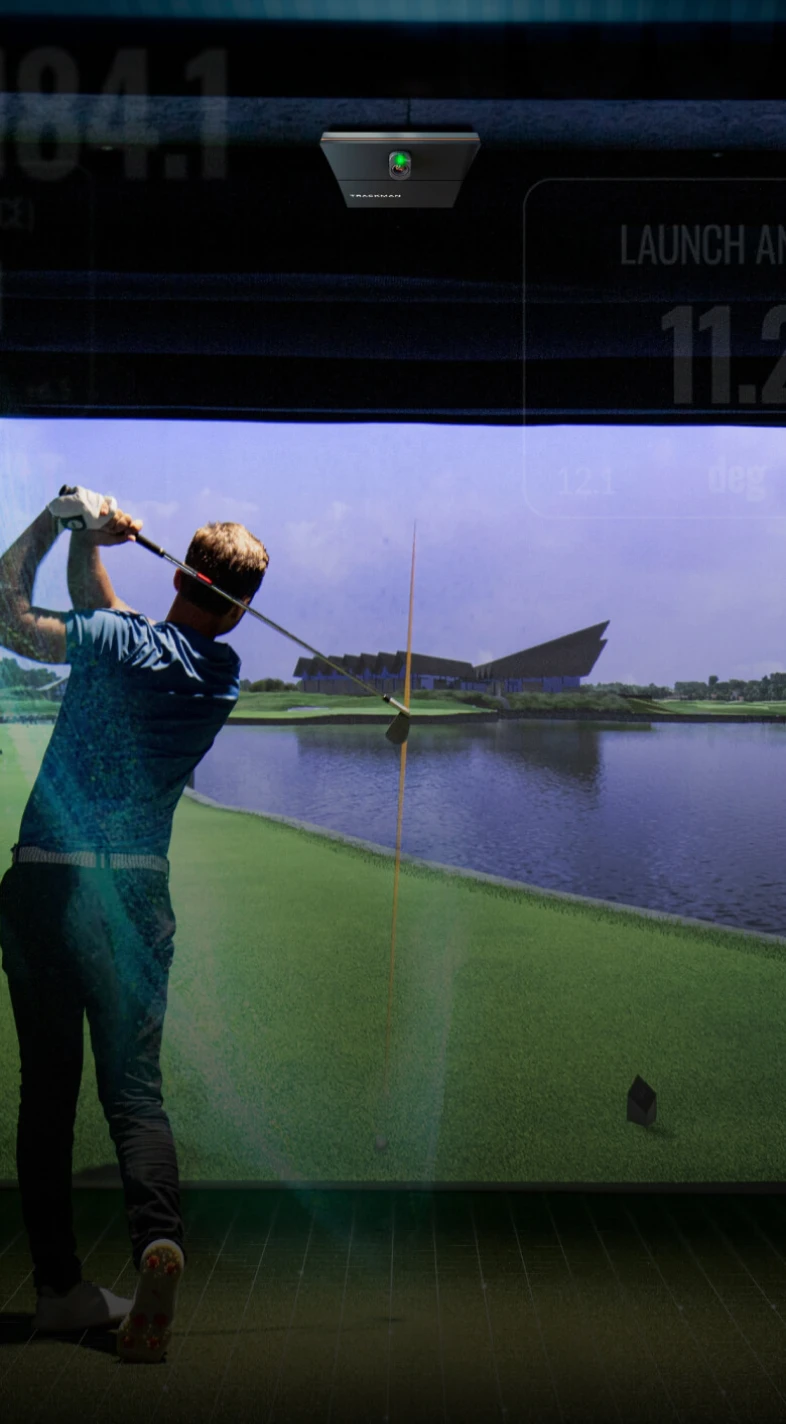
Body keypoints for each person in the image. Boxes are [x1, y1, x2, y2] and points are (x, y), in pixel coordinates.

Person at [0, 496, 269, 1362]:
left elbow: (13, 621)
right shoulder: (221, 673)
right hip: (136, 904)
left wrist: (54, 520)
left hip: (45, 890)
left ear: (181, 572)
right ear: (236, 607)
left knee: (48, 1093)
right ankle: (159, 1239)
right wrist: (94, 541)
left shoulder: (120, 645)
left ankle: (59, 1291)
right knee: (135, 1095)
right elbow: (106, 615)